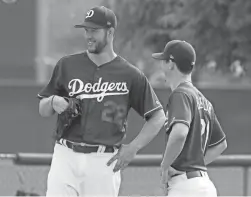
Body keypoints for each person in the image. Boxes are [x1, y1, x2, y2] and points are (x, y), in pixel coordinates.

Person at [37, 6, 166, 197]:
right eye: (86, 30)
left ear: (110, 32)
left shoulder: (130, 74)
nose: (89, 35)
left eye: (94, 31)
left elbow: (158, 117)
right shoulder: (67, 65)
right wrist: (53, 101)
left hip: (103, 160)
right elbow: (42, 109)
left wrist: (133, 148)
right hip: (65, 155)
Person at [152, 40, 227, 196]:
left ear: (171, 64)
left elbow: (179, 133)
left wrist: (165, 166)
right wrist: (195, 165)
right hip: (204, 185)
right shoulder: (204, 100)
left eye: (163, 61)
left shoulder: (181, 94)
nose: (161, 66)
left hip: (186, 188)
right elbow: (221, 145)